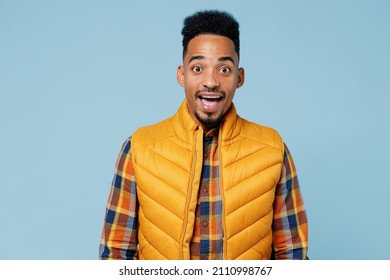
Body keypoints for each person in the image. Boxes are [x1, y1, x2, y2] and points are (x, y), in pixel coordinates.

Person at [99, 10, 308, 260]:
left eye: (224, 69)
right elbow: (116, 254)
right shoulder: (139, 148)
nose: (211, 81)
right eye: (198, 68)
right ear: (181, 75)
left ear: (239, 78)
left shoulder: (272, 149)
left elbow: (292, 255)